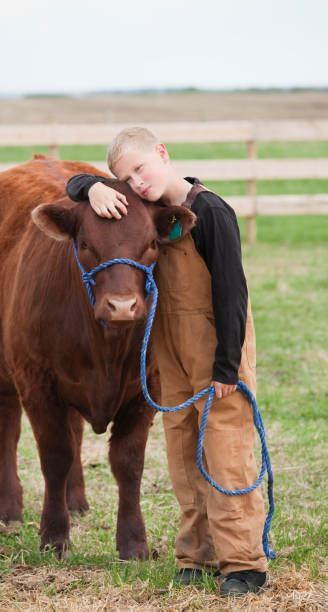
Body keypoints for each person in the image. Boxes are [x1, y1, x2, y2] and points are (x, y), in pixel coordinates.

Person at [66, 127, 268, 597]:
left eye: (140, 169)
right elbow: (73, 187)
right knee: (183, 453)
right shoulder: (150, 211)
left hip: (217, 348)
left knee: (224, 451)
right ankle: (195, 555)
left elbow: (233, 294)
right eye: (125, 178)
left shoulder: (212, 211)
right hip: (170, 352)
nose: (136, 183)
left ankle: (243, 564)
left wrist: (226, 368)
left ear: (163, 153)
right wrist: (92, 185)